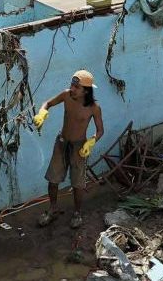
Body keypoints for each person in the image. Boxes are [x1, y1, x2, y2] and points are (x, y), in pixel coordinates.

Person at [33, 69, 104, 229]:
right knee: (53, 179)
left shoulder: (94, 108)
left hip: (79, 147)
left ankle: (77, 213)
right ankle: (52, 209)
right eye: (72, 85)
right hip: (62, 142)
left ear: (86, 90)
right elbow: (48, 103)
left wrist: (91, 142)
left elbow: (100, 130)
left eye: (76, 87)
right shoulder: (66, 95)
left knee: (78, 183)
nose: (72, 89)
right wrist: (42, 112)